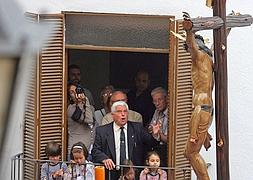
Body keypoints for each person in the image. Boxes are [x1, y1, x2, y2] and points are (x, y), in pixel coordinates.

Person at [92, 101, 161, 179]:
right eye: (119, 111)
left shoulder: (137, 128)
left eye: (125, 111)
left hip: (133, 174)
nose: (123, 114)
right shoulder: (102, 131)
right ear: (112, 115)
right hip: (112, 173)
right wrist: (104, 158)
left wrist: (155, 134)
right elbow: (95, 151)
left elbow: (151, 144)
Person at [183, 12, 213, 180]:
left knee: (190, 152)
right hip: (207, 109)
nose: (187, 52)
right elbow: (219, 44)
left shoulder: (198, 56)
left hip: (200, 109)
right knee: (191, 152)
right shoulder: (210, 58)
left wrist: (189, 32)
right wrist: (227, 27)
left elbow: (192, 46)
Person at [67, 82, 95, 159]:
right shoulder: (70, 108)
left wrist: (86, 101)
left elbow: (91, 121)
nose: (75, 93)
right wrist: (80, 102)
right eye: (72, 92)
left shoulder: (89, 107)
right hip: (75, 152)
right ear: (69, 96)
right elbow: (88, 120)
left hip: (88, 151)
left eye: (77, 90)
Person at [149, 87, 168, 167]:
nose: (157, 103)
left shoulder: (172, 112)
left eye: (159, 100)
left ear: (166, 99)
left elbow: (168, 140)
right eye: (154, 101)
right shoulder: (157, 111)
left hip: (168, 151)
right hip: (157, 148)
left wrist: (158, 132)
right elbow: (151, 127)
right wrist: (152, 130)